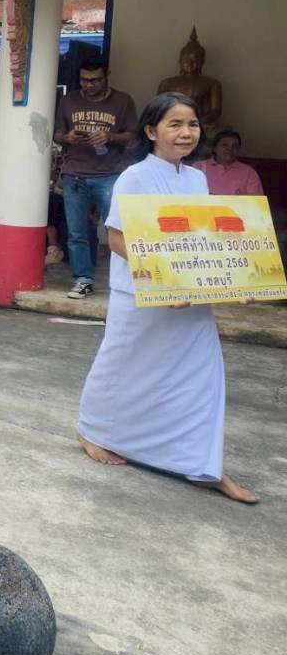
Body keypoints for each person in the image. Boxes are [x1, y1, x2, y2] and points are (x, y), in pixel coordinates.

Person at [77, 92, 257, 505]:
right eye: (174, 124)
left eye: (192, 124)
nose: (185, 132)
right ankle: (93, 430)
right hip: (142, 293)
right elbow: (116, 237)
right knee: (123, 364)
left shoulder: (196, 179)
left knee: (201, 375)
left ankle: (203, 464)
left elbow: (203, 238)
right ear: (151, 131)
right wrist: (163, 280)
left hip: (190, 299)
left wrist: (238, 278)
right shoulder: (134, 176)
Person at [54, 55, 137, 299]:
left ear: (107, 76)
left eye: (95, 80)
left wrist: (110, 137)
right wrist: (67, 138)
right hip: (75, 173)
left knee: (120, 229)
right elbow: (57, 134)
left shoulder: (123, 101)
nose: (89, 85)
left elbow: (133, 136)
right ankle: (83, 279)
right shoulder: (69, 100)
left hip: (110, 174)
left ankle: (129, 280)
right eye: (84, 80)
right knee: (77, 232)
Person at [196, 129, 265, 197]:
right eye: (225, 145)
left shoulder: (248, 172)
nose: (230, 149)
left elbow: (255, 202)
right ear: (214, 148)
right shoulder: (199, 167)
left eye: (235, 146)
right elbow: (190, 196)